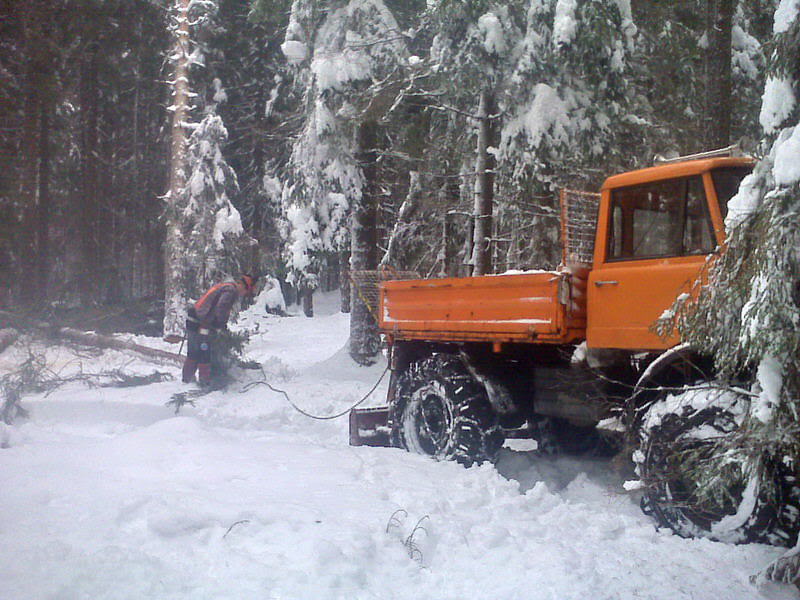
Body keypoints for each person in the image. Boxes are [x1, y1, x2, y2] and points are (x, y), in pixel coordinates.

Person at [182, 274, 257, 386]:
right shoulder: (231, 291)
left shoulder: (225, 286)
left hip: (194, 320)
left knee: (193, 352)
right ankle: (204, 383)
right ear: (243, 286)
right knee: (204, 353)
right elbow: (222, 306)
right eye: (246, 291)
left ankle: (186, 381)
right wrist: (221, 324)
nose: (244, 294)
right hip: (201, 324)